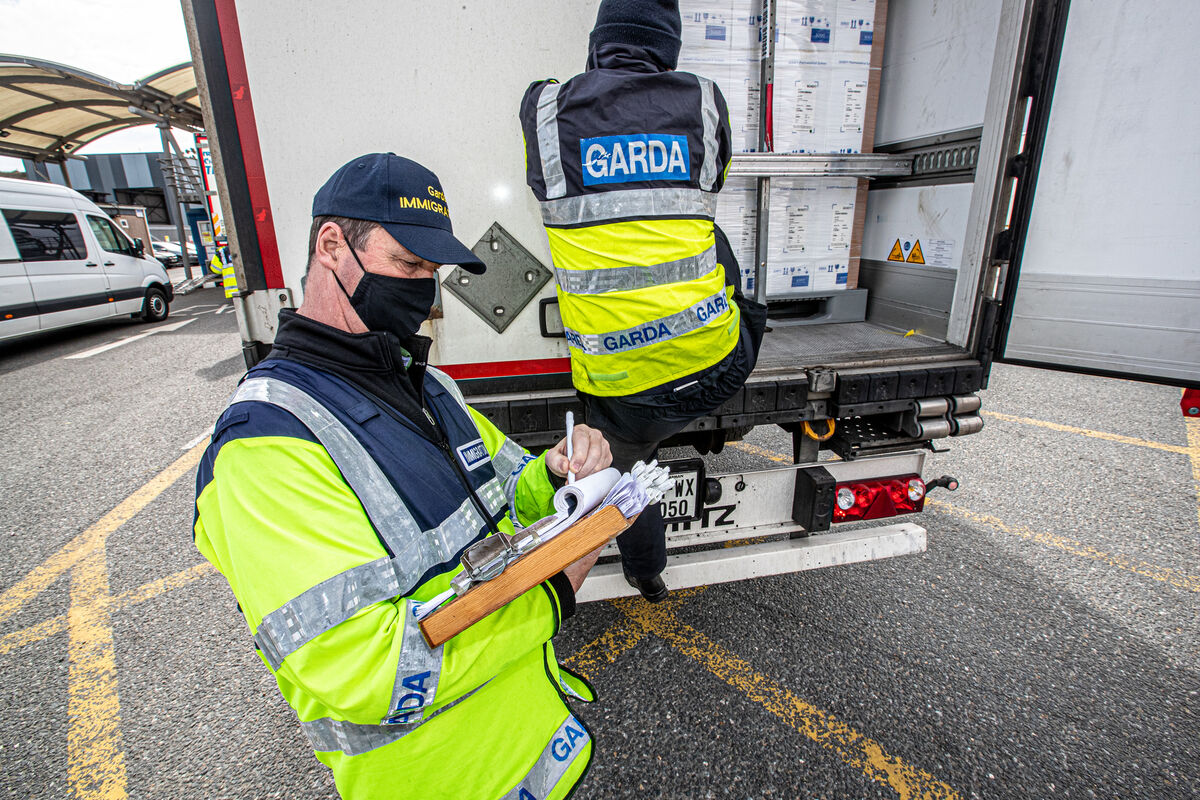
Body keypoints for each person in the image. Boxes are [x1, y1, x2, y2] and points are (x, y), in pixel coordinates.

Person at [193, 153, 612, 800]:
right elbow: (367, 668)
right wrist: (551, 593)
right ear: (332, 246)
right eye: (409, 265)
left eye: (433, 271)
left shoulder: (429, 384)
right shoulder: (265, 445)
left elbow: (507, 491)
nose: (425, 289)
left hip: (541, 755)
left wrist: (559, 475)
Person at [518, 0, 767, 602]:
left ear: (598, 42)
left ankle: (640, 569)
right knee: (719, 248)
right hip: (719, 364)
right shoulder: (705, 100)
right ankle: (646, 562)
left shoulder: (545, 108)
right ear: (671, 48)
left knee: (624, 464)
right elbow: (709, 182)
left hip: (623, 390)